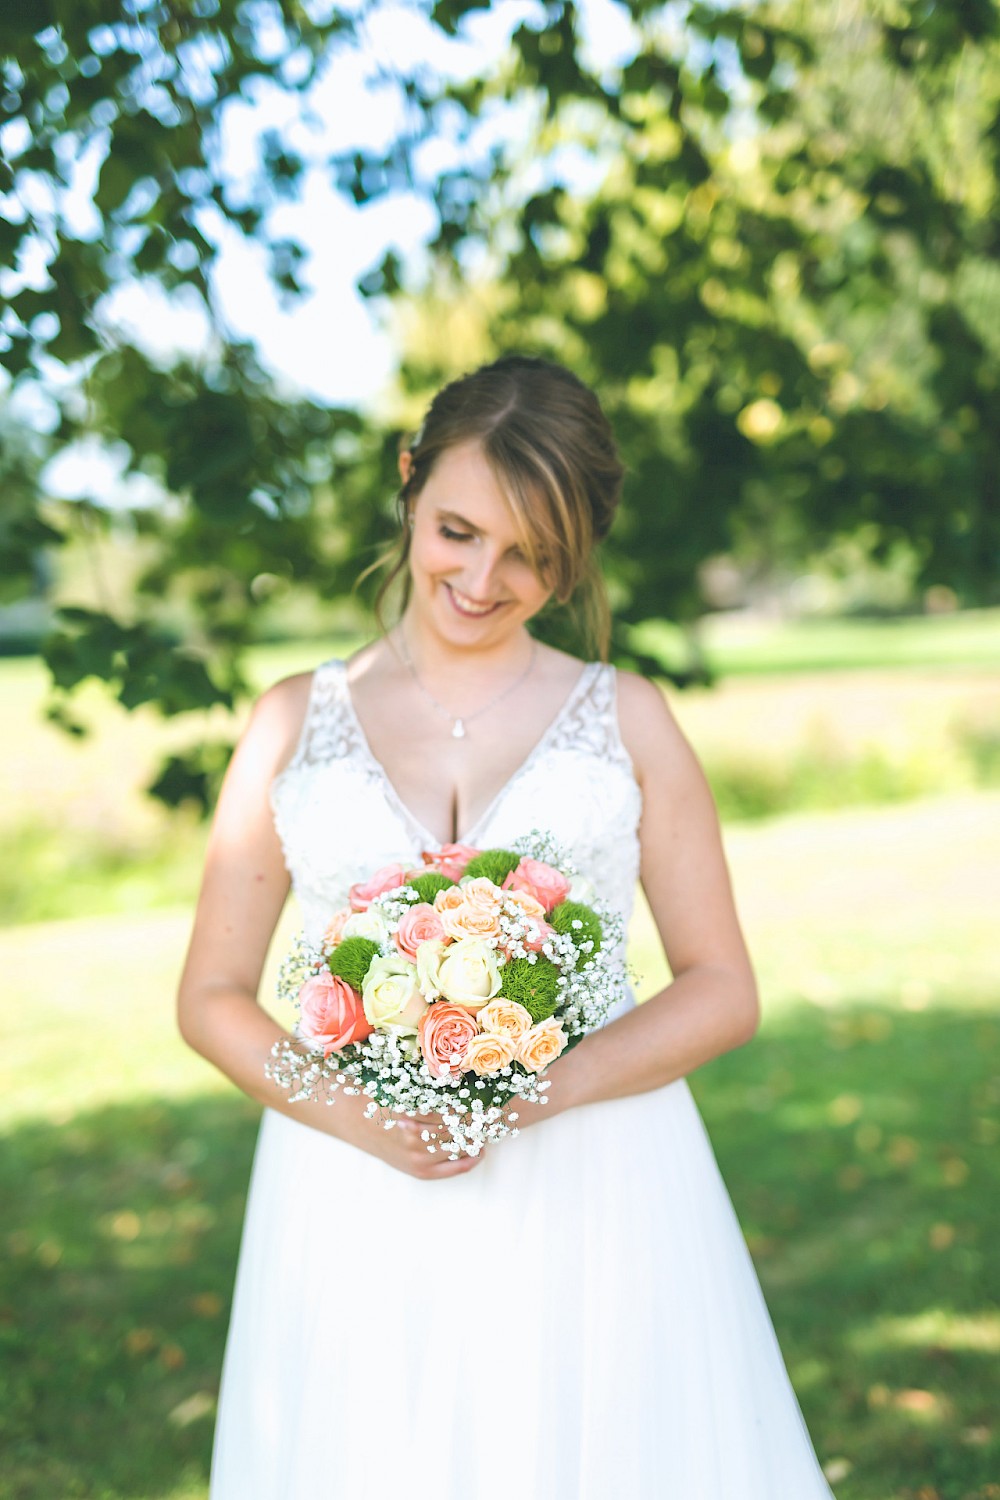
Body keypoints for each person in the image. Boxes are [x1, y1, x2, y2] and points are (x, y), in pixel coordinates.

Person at [177, 354, 836, 1498]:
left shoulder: (624, 717)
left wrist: (542, 1088)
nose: (485, 578)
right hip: (349, 1186)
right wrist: (364, 1118)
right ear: (408, 483)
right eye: (459, 531)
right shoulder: (290, 721)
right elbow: (211, 998)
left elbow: (723, 985)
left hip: (598, 1182)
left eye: (532, 554)